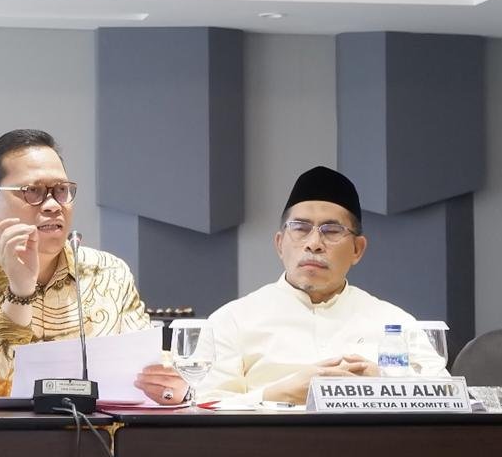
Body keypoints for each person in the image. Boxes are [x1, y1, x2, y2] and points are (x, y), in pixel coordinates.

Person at [136, 166, 448, 406]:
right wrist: (278, 393)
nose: (314, 243)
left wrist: (384, 385)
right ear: (279, 243)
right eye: (300, 228)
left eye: (331, 230)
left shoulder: (396, 324)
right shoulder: (232, 321)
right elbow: (204, 408)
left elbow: (450, 400)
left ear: (357, 249)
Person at [0, 129, 150, 398]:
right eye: (32, 191)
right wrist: (20, 294)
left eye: (61, 190)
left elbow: (145, 376)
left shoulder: (109, 274)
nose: (52, 205)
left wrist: (169, 388)